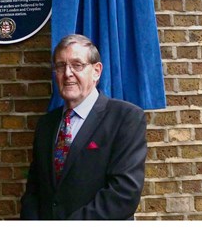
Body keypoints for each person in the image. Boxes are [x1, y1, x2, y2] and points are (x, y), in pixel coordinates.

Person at [20, 34, 147, 220]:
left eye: (77, 65)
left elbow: (124, 194)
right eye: (61, 66)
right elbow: (34, 190)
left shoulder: (125, 118)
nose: (68, 73)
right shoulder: (46, 125)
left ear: (96, 71)